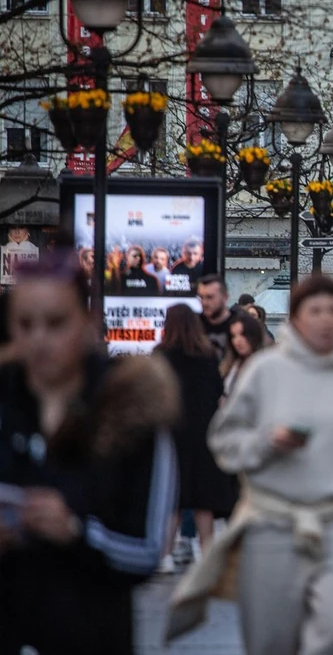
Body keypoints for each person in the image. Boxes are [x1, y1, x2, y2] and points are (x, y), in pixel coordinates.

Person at [167, 275, 333, 654]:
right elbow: (224, 440)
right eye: (315, 311)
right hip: (272, 521)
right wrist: (265, 441)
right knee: (270, 639)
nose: (325, 319)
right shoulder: (265, 370)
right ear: (296, 317)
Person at [0, 253, 179, 654]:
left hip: (91, 629)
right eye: (25, 324)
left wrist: (77, 532)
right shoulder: (7, 399)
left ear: (88, 321)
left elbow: (147, 549)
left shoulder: (130, 409)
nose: (39, 339)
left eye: (56, 323)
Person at [155, 304, 232, 568]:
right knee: (203, 499)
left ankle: (165, 555)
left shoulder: (162, 355)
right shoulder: (207, 355)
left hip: (172, 431)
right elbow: (218, 391)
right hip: (203, 433)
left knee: (174, 499)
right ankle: (207, 555)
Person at [221, 311, 267, 397]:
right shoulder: (230, 366)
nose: (237, 341)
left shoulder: (265, 366)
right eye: (234, 336)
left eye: (243, 334)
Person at [196, 275, 232, 360]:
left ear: (225, 297)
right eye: (201, 297)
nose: (204, 303)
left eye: (210, 297)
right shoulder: (193, 325)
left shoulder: (241, 324)